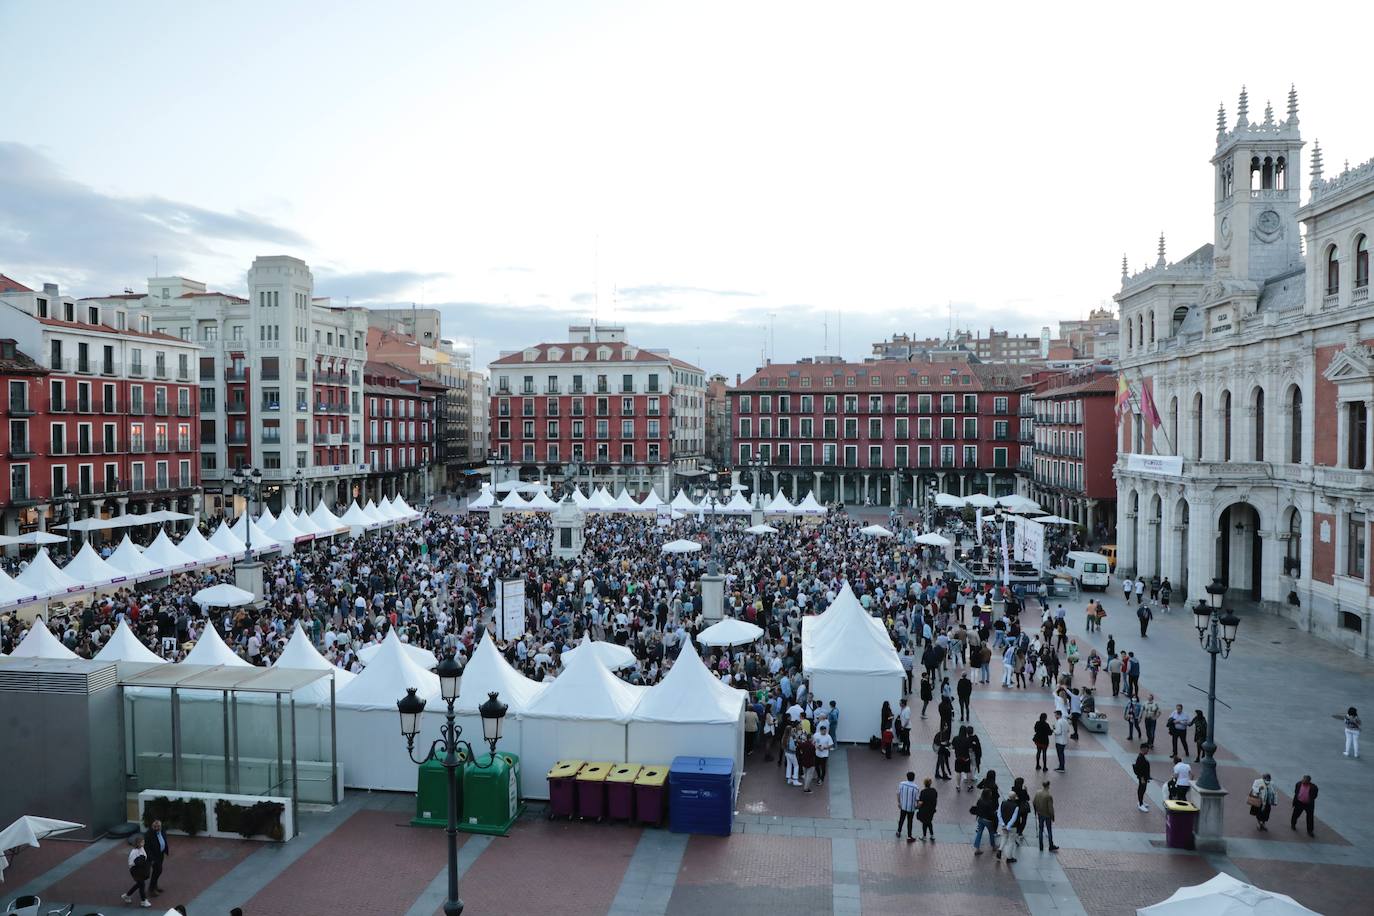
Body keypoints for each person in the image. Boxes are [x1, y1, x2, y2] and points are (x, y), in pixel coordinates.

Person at [996, 790, 1027, 863]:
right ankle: (1009, 857)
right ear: (1014, 798)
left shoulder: (1002, 803)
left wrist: (1003, 824)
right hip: (1012, 827)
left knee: (1004, 837)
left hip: (1004, 825)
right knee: (1011, 841)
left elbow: (999, 814)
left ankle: (1000, 850)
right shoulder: (1016, 806)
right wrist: (1008, 826)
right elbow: (1014, 818)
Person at [122, 834, 152, 908]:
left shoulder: (141, 849)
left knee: (139, 884)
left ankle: (127, 895)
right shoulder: (134, 852)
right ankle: (143, 900)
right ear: (138, 843)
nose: (143, 843)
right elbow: (132, 863)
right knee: (141, 885)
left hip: (140, 870)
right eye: (142, 842)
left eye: (143, 842)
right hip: (136, 871)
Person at [144, 818, 170, 898]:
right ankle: (151, 889)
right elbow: (147, 848)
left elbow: (164, 840)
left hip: (160, 854)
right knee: (157, 871)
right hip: (154, 856)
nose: (157, 828)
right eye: (155, 826)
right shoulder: (149, 834)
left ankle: (155, 886)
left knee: (158, 871)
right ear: (152, 826)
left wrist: (165, 849)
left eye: (158, 826)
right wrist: (152, 859)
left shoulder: (162, 831)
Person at [971, 786, 1000, 856]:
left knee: (979, 833)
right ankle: (993, 846)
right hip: (988, 820)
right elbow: (991, 813)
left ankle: (977, 848)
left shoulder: (980, 800)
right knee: (991, 832)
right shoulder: (989, 802)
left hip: (980, 819)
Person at [1032, 780, 1059, 851]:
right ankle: (1051, 845)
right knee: (1049, 830)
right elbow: (1050, 808)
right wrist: (1052, 816)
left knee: (1040, 830)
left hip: (1040, 813)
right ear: (1048, 786)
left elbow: (1034, 802)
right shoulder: (1048, 796)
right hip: (1047, 815)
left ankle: (1041, 845)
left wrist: (1036, 810)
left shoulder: (1038, 793)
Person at [897, 771, 919, 841]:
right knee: (910, 821)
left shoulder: (902, 784)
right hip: (911, 808)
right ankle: (909, 836)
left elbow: (898, 794)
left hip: (903, 806)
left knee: (901, 819)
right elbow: (917, 799)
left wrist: (899, 803)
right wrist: (917, 806)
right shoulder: (916, 788)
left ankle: (898, 831)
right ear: (913, 778)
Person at [916, 777, 939, 841]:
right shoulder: (934, 790)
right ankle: (932, 835)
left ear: (924, 784)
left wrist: (916, 807)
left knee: (924, 823)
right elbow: (935, 799)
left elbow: (920, 802)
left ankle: (924, 836)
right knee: (929, 822)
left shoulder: (923, 792)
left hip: (924, 810)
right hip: (931, 810)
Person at [1132, 747, 1151, 812]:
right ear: (1143, 749)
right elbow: (1139, 770)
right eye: (1147, 750)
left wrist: (1148, 776)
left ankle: (1141, 801)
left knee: (1143, 789)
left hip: (1144, 777)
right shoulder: (1140, 758)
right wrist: (1142, 778)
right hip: (1142, 777)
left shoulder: (1142, 757)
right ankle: (1140, 804)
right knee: (1141, 789)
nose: (1148, 751)